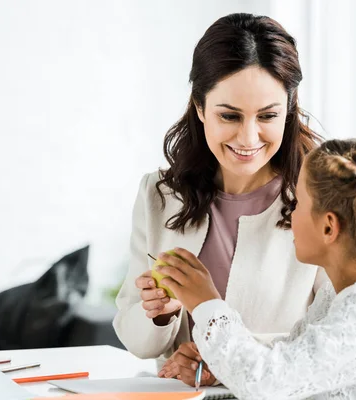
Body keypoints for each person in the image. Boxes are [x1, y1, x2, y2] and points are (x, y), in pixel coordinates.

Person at [112, 13, 327, 386]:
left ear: (289, 108)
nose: (248, 138)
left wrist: (226, 358)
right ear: (199, 107)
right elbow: (134, 337)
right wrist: (161, 314)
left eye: (268, 115)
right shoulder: (159, 195)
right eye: (229, 115)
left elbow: (334, 339)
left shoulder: (321, 198)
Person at [156, 139, 356, 399]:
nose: (290, 213)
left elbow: (267, 383)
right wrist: (222, 367)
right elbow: (293, 365)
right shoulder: (346, 295)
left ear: (328, 227)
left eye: (297, 204)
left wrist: (206, 304)